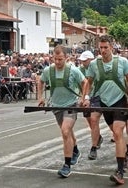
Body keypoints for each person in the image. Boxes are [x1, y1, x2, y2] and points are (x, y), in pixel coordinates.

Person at [83, 35, 128, 185]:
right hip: (105, 103)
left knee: (117, 132)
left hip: (120, 101)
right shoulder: (94, 64)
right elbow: (88, 82)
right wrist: (86, 98)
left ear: (111, 47)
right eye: (100, 48)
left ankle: (120, 172)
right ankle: (125, 153)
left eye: (105, 48)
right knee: (115, 132)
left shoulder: (122, 62)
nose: (103, 51)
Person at [37, 45, 88, 178]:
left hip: (71, 104)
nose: (58, 62)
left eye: (60, 59)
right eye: (55, 59)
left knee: (65, 131)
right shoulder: (49, 70)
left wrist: (84, 98)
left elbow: (85, 82)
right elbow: (40, 81)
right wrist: (40, 97)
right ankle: (75, 150)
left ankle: (67, 165)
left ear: (66, 58)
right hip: (56, 106)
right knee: (67, 132)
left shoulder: (73, 70)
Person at [78, 51, 103, 160]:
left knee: (93, 120)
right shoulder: (80, 70)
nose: (83, 62)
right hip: (87, 97)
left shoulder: (98, 67)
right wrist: (82, 97)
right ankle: (97, 137)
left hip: (98, 96)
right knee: (90, 121)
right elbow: (81, 84)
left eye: (85, 60)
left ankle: (94, 146)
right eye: (82, 61)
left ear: (91, 59)